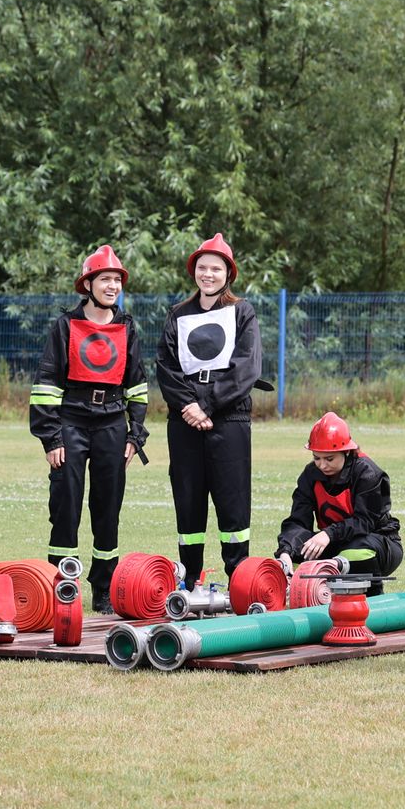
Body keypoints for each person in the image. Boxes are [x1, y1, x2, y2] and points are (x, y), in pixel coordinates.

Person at [29, 245, 150, 613]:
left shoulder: (127, 327)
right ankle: (60, 584)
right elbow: (46, 382)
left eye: (117, 280)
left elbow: (138, 385)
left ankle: (103, 588)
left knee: (107, 505)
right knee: (65, 502)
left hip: (112, 422)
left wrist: (135, 434)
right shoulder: (65, 325)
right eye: (105, 279)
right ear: (88, 283)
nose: (112, 286)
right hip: (70, 421)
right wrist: (51, 436)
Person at [156, 234, 262, 587]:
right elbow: (166, 366)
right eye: (203, 267)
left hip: (228, 419)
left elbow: (247, 367)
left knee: (232, 502)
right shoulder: (178, 314)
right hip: (184, 421)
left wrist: (206, 405)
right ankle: (189, 581)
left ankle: (239, 581)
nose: (208, 274)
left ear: (227, 273)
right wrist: (187, 405)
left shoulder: (242, 312)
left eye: (216, 268)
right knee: (188, 500)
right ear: (194, 272)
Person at [275, 412, 403, 589]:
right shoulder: (310, 476)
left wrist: (328, 534)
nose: (322, 465)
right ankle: (309, 594)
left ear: (347, 452)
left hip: (379, 542)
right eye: (316, 458)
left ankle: (370, 596)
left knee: (356, 550)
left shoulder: (368, 473)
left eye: (329, 459)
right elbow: (298, 521)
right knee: (298, 553)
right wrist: (286, 551)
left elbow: (364, 522)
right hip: (335, 542)